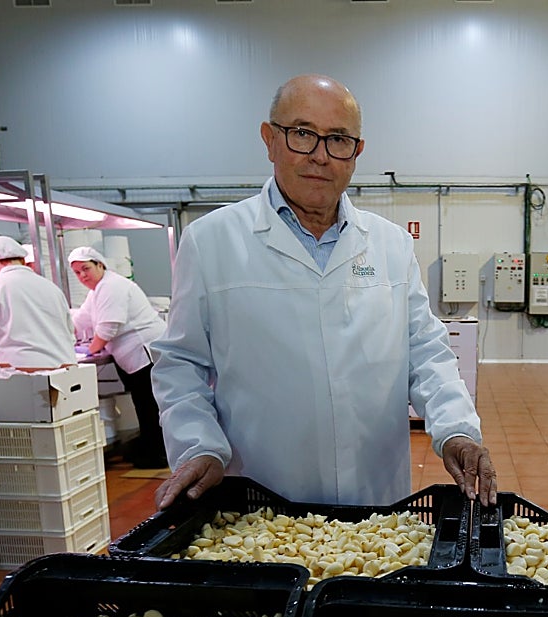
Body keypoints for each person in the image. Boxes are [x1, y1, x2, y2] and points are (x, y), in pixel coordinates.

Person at [152, 73, 494, 509]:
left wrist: (457, 430)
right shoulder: (211, 241)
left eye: (338, 139)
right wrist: (199, 446)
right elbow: (180, 363)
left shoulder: (390, 244)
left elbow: (426, 352)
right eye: (301, 134)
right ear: (269, 139)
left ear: (357, 152)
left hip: (374, 500)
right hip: (260, 497)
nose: (319, 156)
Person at [69, 246, 167, 469]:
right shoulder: (96, 292)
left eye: (86, 269)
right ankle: (150, 449)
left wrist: (88, 350)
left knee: (148, 405)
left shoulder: (112, 286)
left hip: (144, 353)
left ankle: (156, 456)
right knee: (143, 404)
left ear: (100, 265)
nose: (82, 275)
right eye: (77, 272)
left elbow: (107, 328)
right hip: (132, 357)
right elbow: (81, 320)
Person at [0, 235, 75, 368]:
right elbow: (70, 331)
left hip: (25, 369)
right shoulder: (51, 287)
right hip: (66, 365)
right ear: (23, 260)